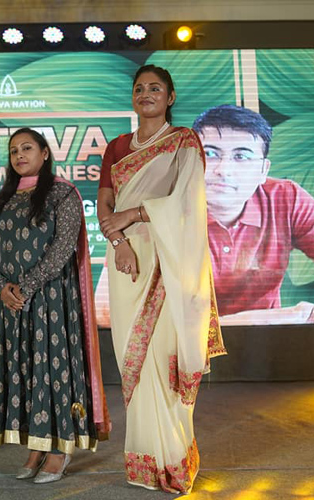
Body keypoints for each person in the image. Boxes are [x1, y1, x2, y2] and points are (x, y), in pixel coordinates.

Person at [96, 65, 226, 493]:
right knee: (133, 361)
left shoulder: (184, 141)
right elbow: (105, 203)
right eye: (139, 88)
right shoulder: (117, 147)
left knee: (166, 358)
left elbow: (188, 202)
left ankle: (174, 460)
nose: (146, 93)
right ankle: (146, 463)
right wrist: (120, 243)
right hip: (128, 262)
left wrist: (133, 215)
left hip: (171, 262)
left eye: (155, 88)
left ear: (170, 97)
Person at [0, 128, 111, 484]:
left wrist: (26, 286)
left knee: (53, 370)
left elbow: (63, 247)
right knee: (24, 369)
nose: (19, 155)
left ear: (45, 153)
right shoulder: (6, 198)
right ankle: (36, 445)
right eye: (13, 151)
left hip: (51, 300)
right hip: (13, 304)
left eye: (27, 148)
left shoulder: (62, 193)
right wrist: (0, 286)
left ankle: (59, 449)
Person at [192, 104, 314, 325]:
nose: (223, 170)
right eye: (210, 154)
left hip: (268, 338)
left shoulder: (286, 199)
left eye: (241, 156)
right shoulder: (162, 208)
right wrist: (260, 320)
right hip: (184, 341)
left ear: (263, 170)